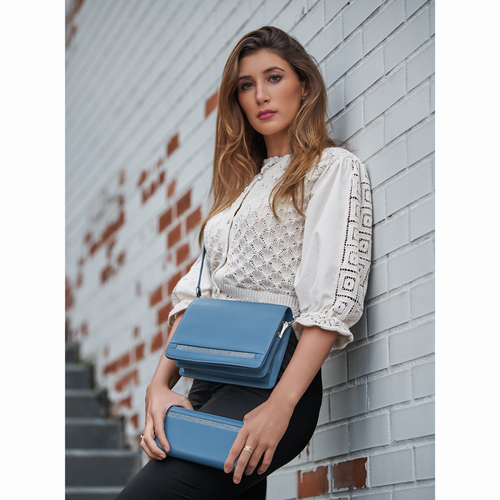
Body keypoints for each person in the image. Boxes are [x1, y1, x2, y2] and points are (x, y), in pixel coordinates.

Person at [117, 26, 372, 500]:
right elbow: (197, 295)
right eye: (246, 85)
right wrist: (159, 386)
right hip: (206, 379)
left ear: (304, 86)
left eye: (274, 77)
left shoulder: (332, 168)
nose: (260, 95)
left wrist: (281, 405)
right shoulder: (238, 190)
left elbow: (330, 303)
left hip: (271, 384)